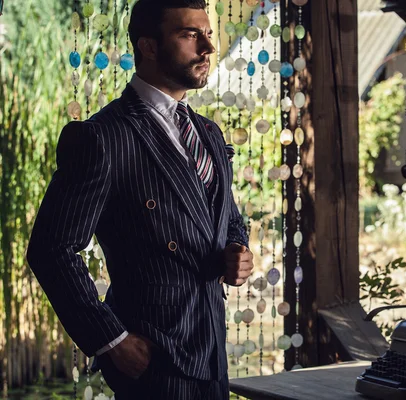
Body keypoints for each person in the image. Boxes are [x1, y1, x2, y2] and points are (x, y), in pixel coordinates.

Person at [26, 0, 253, 398]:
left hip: (213, 350)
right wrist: (111, 340)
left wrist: (237, 248)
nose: (208, 48)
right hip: (152, 357)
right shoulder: (102, 137)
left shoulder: (209, 133)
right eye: (189, 35)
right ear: (148, 46)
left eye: (208, 34)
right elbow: (51, 249)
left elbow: (226, 216)